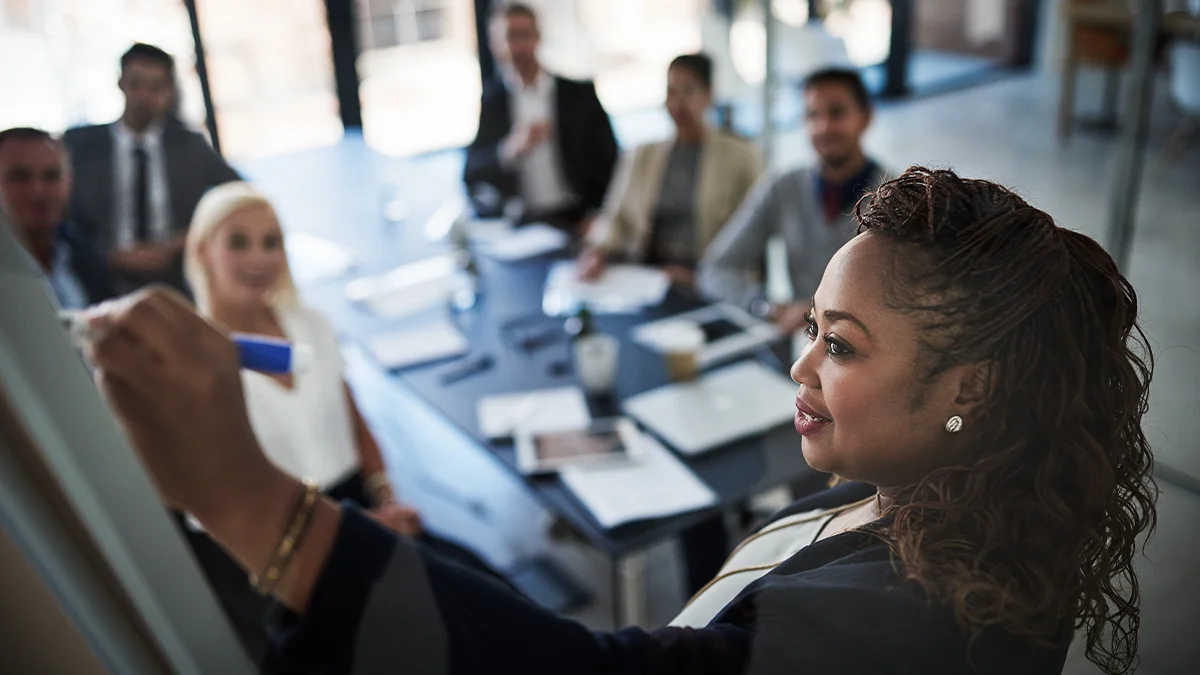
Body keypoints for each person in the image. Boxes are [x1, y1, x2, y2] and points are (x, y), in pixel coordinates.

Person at [86, 167, 1157, 675]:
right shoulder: (947, 502)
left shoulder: (910, 631)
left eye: (841, 343)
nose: (801, 360)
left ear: (968, 388)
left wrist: (246, 498)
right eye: (815, 329)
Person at [179, 181, 504, 663]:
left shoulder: (309, 325)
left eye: (272, 241)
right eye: (239, 241)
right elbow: (224, 519)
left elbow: (354, 419)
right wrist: (360, 530)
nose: (259, 257)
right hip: (279, 551)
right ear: (204, 251)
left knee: (490, 598)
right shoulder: (194, 366)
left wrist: (386, 495)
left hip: (357, 507)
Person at [698, 67, 889, 334]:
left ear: (866, 117)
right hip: (801, 349)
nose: (823, 127)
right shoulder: (782, 187)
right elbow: (716, 269)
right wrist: (765, 307)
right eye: (812, 115)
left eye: (836, 113)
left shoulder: (897, 199)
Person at [63, 43, 239, 295]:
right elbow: (65, 221)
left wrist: (186, 238)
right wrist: (110, 255)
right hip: (102, 281)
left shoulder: (190, 146)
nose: (144, 97)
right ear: (121, 83)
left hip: (177, 279)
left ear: (168, 91)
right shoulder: (81, 147)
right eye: (136, 84)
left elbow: (236, 197)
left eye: (155, 87)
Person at [577, 53, 761, 288]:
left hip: (704, 279)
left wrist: (700, 279)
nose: (677, 104)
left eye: (688, 91)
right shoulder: (643, 155)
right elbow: (615, 217)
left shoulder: (740, 157)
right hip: (646, 275)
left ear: (708, 96)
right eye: (671, 92)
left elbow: (748, 240)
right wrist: (596, 252)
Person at [464, 2, 619, 231]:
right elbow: (471, 171)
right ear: (495, 46)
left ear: (538, 37)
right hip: (524, 224)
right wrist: (508, 150)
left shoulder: (578, 95)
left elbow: (612, 164)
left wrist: (599, 215)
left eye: (523, 36)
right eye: (509, 38)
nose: (517, 47)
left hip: (578, 217)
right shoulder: (493, 103)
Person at [0, 127, 114, 308]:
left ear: (69, 181)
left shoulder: (82, 251)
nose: (38, 190)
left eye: (51, 176)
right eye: (20, 177)